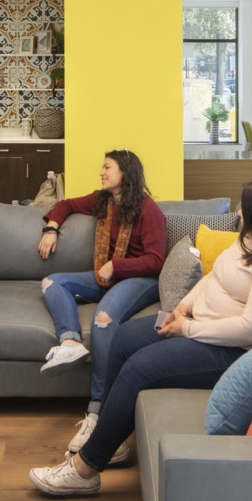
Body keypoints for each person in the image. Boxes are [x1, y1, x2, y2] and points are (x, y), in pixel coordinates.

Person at [30, 178, 252, 496]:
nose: (239, 214)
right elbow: (213, 277)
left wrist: (185, 328)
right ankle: (110, 440)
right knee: (125, 337)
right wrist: (182, 307)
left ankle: (86, 470)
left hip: (234, 349)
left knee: (140, 368)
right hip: (198, 324)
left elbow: (251, 329)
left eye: (245, 209)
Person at [37, 150, 167, 440]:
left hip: (139, 278)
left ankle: (97, 411)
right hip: (105, 275)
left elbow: (156, 259)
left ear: (125, 172)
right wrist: (51, 228)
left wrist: (116, 265)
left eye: (107, 167)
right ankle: (70, 342)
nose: (101, 172)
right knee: (51, 282)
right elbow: (67, 204)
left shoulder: (149, 210)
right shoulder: (103, 200)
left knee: (103, 320)